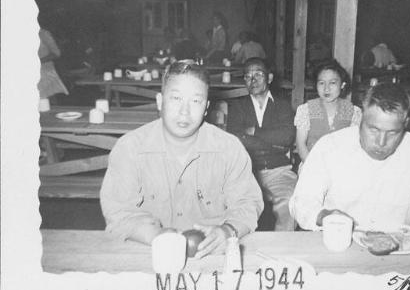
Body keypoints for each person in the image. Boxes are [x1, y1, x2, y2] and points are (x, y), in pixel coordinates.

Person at [100, 62, 264, 258]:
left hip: (214, 253)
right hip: (148, 250)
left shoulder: (229, 149)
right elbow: (117, 212)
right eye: (176, 98)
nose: (184, 111)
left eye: (196, 101)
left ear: (206, 108)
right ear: (160, 101)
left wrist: (227, 231)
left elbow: (248, 203)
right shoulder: (130, 148)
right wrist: (157, 235)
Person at [289, 83, 410, 236]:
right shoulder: (330, 146)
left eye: (392, 133)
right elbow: (301, 202)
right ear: (361, 118)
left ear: (406, 123)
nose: (381, 143)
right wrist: (323, 216)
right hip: (341, 243)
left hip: (400, 247)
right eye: (373, 129)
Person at [227, 58, 297, 231]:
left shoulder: (282, 106)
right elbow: (236, 140)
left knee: (289, 203)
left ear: (270, 78)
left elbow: (287, 137)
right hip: (247, 171)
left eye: (258, 74)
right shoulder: (237, 106)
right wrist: (273, 144)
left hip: (279, 171)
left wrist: (254, 133)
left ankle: (281, 250)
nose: (253, 80)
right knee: (241, 209)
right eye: (248, 76)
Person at [294, 61, 362, 164]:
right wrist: (314, 169)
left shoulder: (353, 111)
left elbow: (355, 146)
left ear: (342, 85)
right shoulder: (306, 110)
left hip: (342, 166)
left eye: (332, 83)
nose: (326, 89)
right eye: (321, 83)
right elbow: (301, 145)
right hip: (311, 166)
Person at [38, 27, 69, 100]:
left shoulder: (43, 33)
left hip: (46, 74)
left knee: (46, 104)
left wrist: (38, 61)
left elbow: (56, 53)